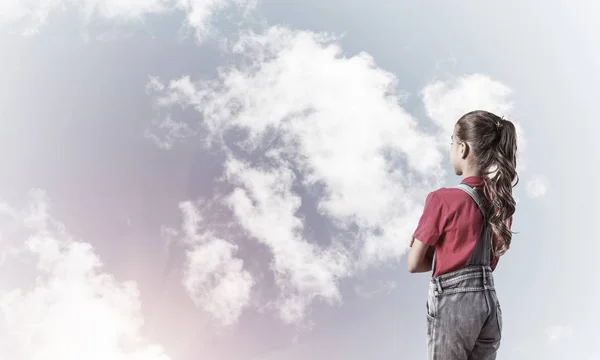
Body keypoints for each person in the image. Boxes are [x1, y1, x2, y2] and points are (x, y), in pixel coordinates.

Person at [406, 110, 519, 360]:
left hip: (454, 306)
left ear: (463, 148)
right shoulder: (501, 204)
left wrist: (431, 251)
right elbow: (487, 264)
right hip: (489, 305)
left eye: (451, 143)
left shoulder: (441, 200)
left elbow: (414, 264)